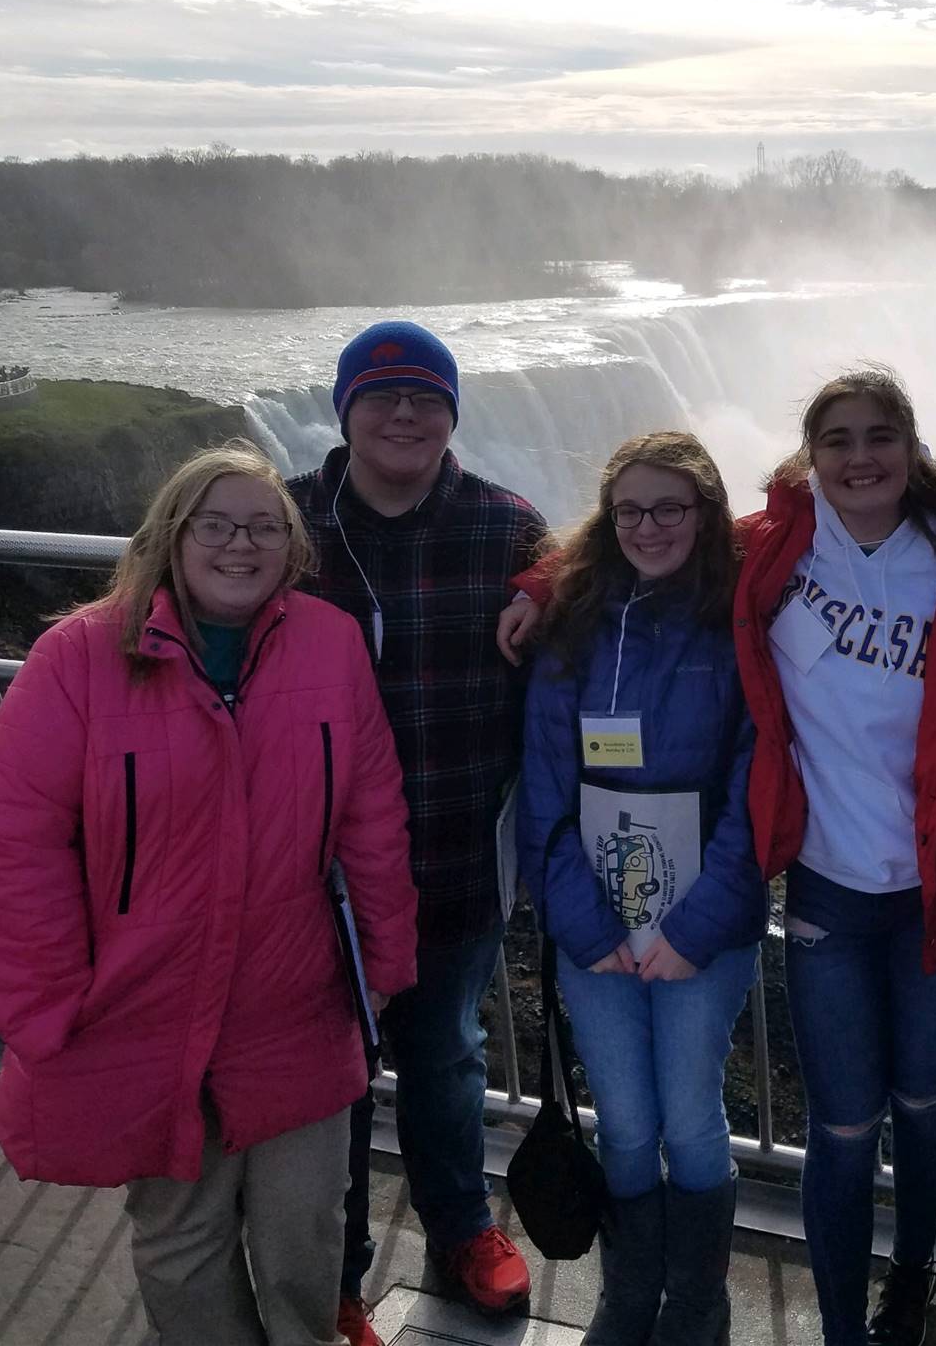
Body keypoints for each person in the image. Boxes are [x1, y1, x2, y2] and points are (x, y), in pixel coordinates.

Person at [0, 443, 418, 1346]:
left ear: (291, 546)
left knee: (305, 1232)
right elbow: (6, 843)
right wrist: (51, 1002)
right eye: (215, 523)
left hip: (296, 1006)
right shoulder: (79, 657)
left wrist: (389, 963)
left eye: (263, 527)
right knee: (182, 1242)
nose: (238, 545)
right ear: (171, 534)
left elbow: (372, 815)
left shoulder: (330, 642)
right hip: (148, 1011)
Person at [733, 366, 936, 1346]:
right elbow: (629, 543)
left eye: (879, 436)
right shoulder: (770, 552)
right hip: (825, 889)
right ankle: (838, 1327)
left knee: (923, 1100)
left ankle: (909, 1281)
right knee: (840, 1123)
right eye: (839, 438)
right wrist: (534, 586)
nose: (860, 457)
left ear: (910, 450)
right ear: (810, 455)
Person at [287, 321, 548, 1342]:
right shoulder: (286, 522)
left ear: (451, 414)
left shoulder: (507, 528)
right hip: (311, 874)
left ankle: (462, 1229)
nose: (405, 414)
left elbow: (599, 577)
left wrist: (548, 584)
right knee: (329, 1077)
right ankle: (337, 1273)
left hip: (452, 853)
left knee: (445, 1057)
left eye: (426, 398)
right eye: (382, 396)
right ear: (345, 408)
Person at [516, 431, 765, 1346]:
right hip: (598, 925)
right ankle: (631, 1296)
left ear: (705, 512)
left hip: (705, 922)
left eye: (670, 506)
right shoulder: (573, 620)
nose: (649, 525)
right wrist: (585, 924)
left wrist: (697, 925)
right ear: (606, 519)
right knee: (623, 1121)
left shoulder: (740, 619)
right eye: (630, 509)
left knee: (692, 1116)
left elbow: (755, 786)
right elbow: (545, 784)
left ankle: (697, 1305)